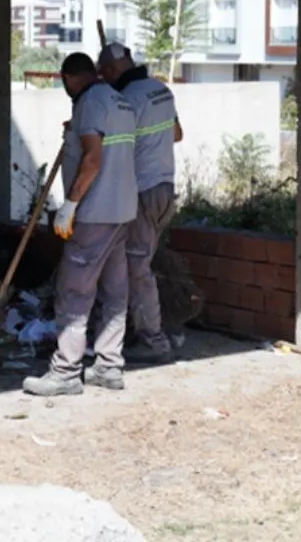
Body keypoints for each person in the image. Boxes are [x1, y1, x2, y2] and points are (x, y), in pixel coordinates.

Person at [23, 52, 137, 397]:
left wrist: (69, 206)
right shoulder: (119, 100)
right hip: (123, 211)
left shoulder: (88, 101)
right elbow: (104, 144)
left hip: (95, 214)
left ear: (70, 78)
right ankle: (108, 366)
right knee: (115, 292)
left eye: (64, 83)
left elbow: (93, 158)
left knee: (74, 291)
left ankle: (66, 371)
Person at [97, 43, 183, 364]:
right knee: (140, 262)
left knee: (136, 268)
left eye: (103, 73)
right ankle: (140, 326)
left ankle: (153, 339)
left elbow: (108, 147)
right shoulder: (161, 89)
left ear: (111, 71)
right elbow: (176, 133)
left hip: (142, 191)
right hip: (164, 188)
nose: (102, 79)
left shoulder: (126, 100)